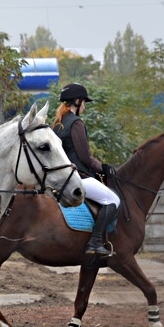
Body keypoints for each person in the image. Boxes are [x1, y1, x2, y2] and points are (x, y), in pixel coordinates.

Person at [52, 83, 120, 256]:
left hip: (59, 178)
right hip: (77, 177)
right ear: (76, 101)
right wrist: (104, 168)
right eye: (83, 102)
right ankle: (95, 242)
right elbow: (84, 157)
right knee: (113, 200)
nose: (84, 106)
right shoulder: (76, 123)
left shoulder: (58, 124)